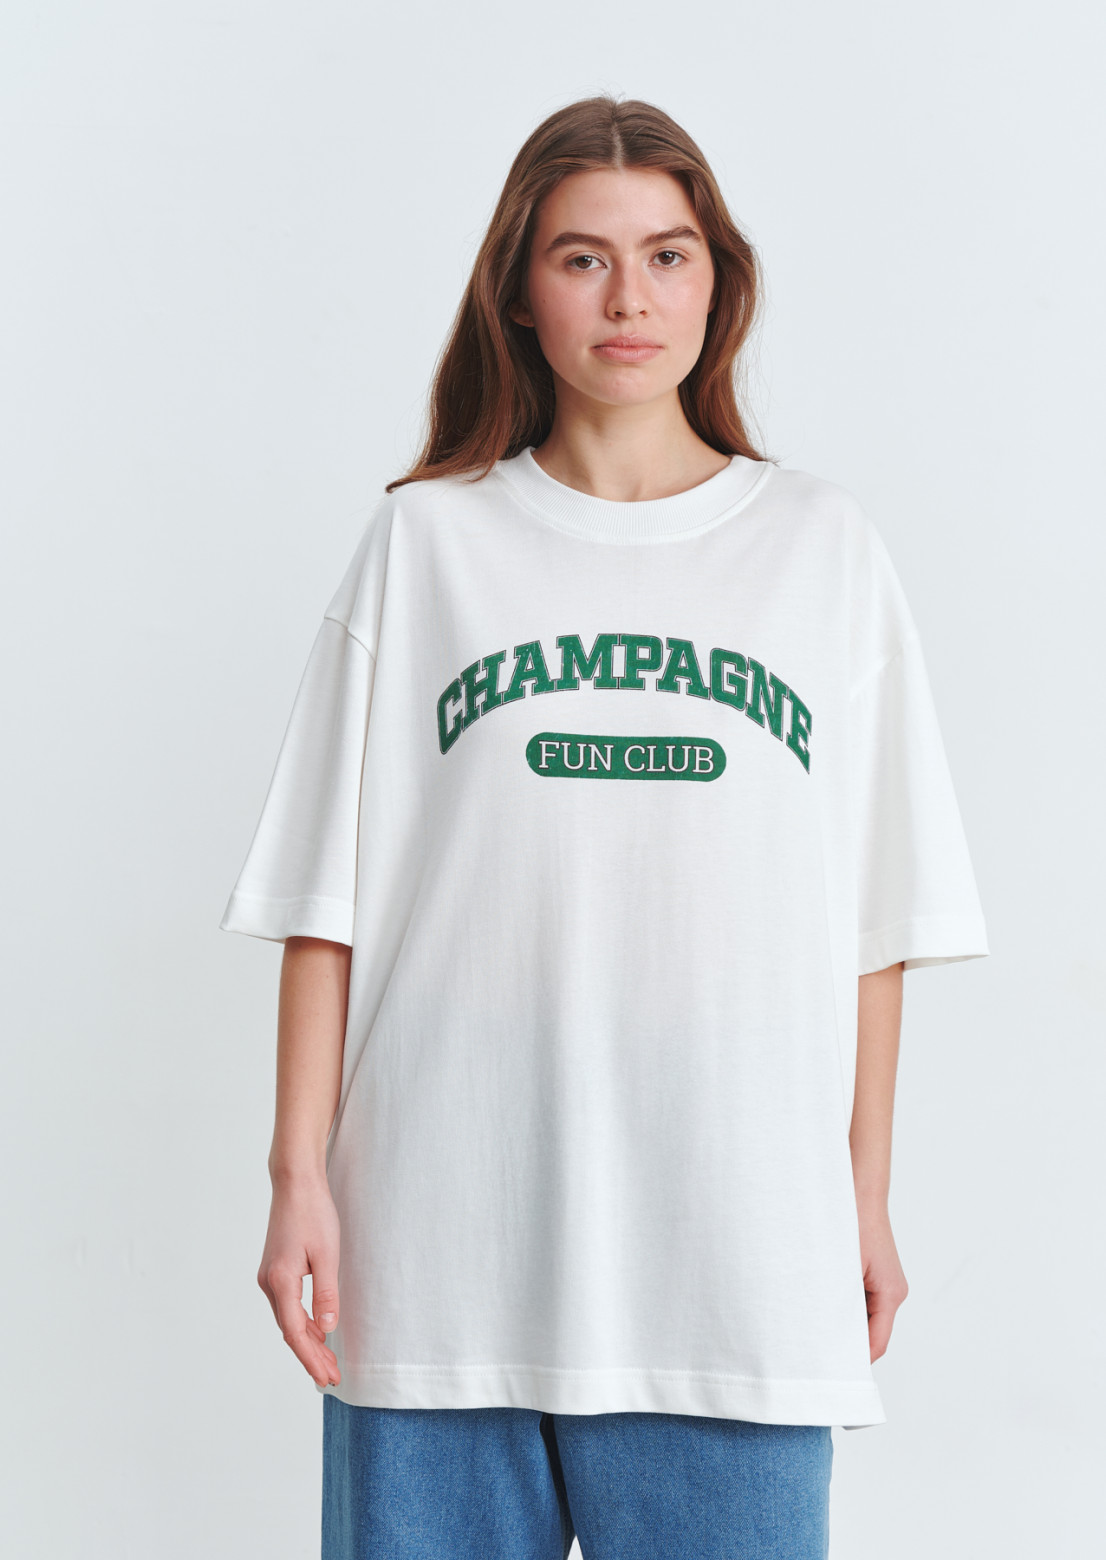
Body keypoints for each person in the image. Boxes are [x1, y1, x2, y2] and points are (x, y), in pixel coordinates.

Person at [220, 94, 989, 1560]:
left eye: (667, 255)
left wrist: (863, 1197)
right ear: (519, 289)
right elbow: (325, 903)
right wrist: (296, 1176)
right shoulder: (426, 543)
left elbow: (874, 923)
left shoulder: (821, 551)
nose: (629, 297)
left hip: (735, 1272)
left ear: (717, 282)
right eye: (582, 258)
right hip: (437, 1260)